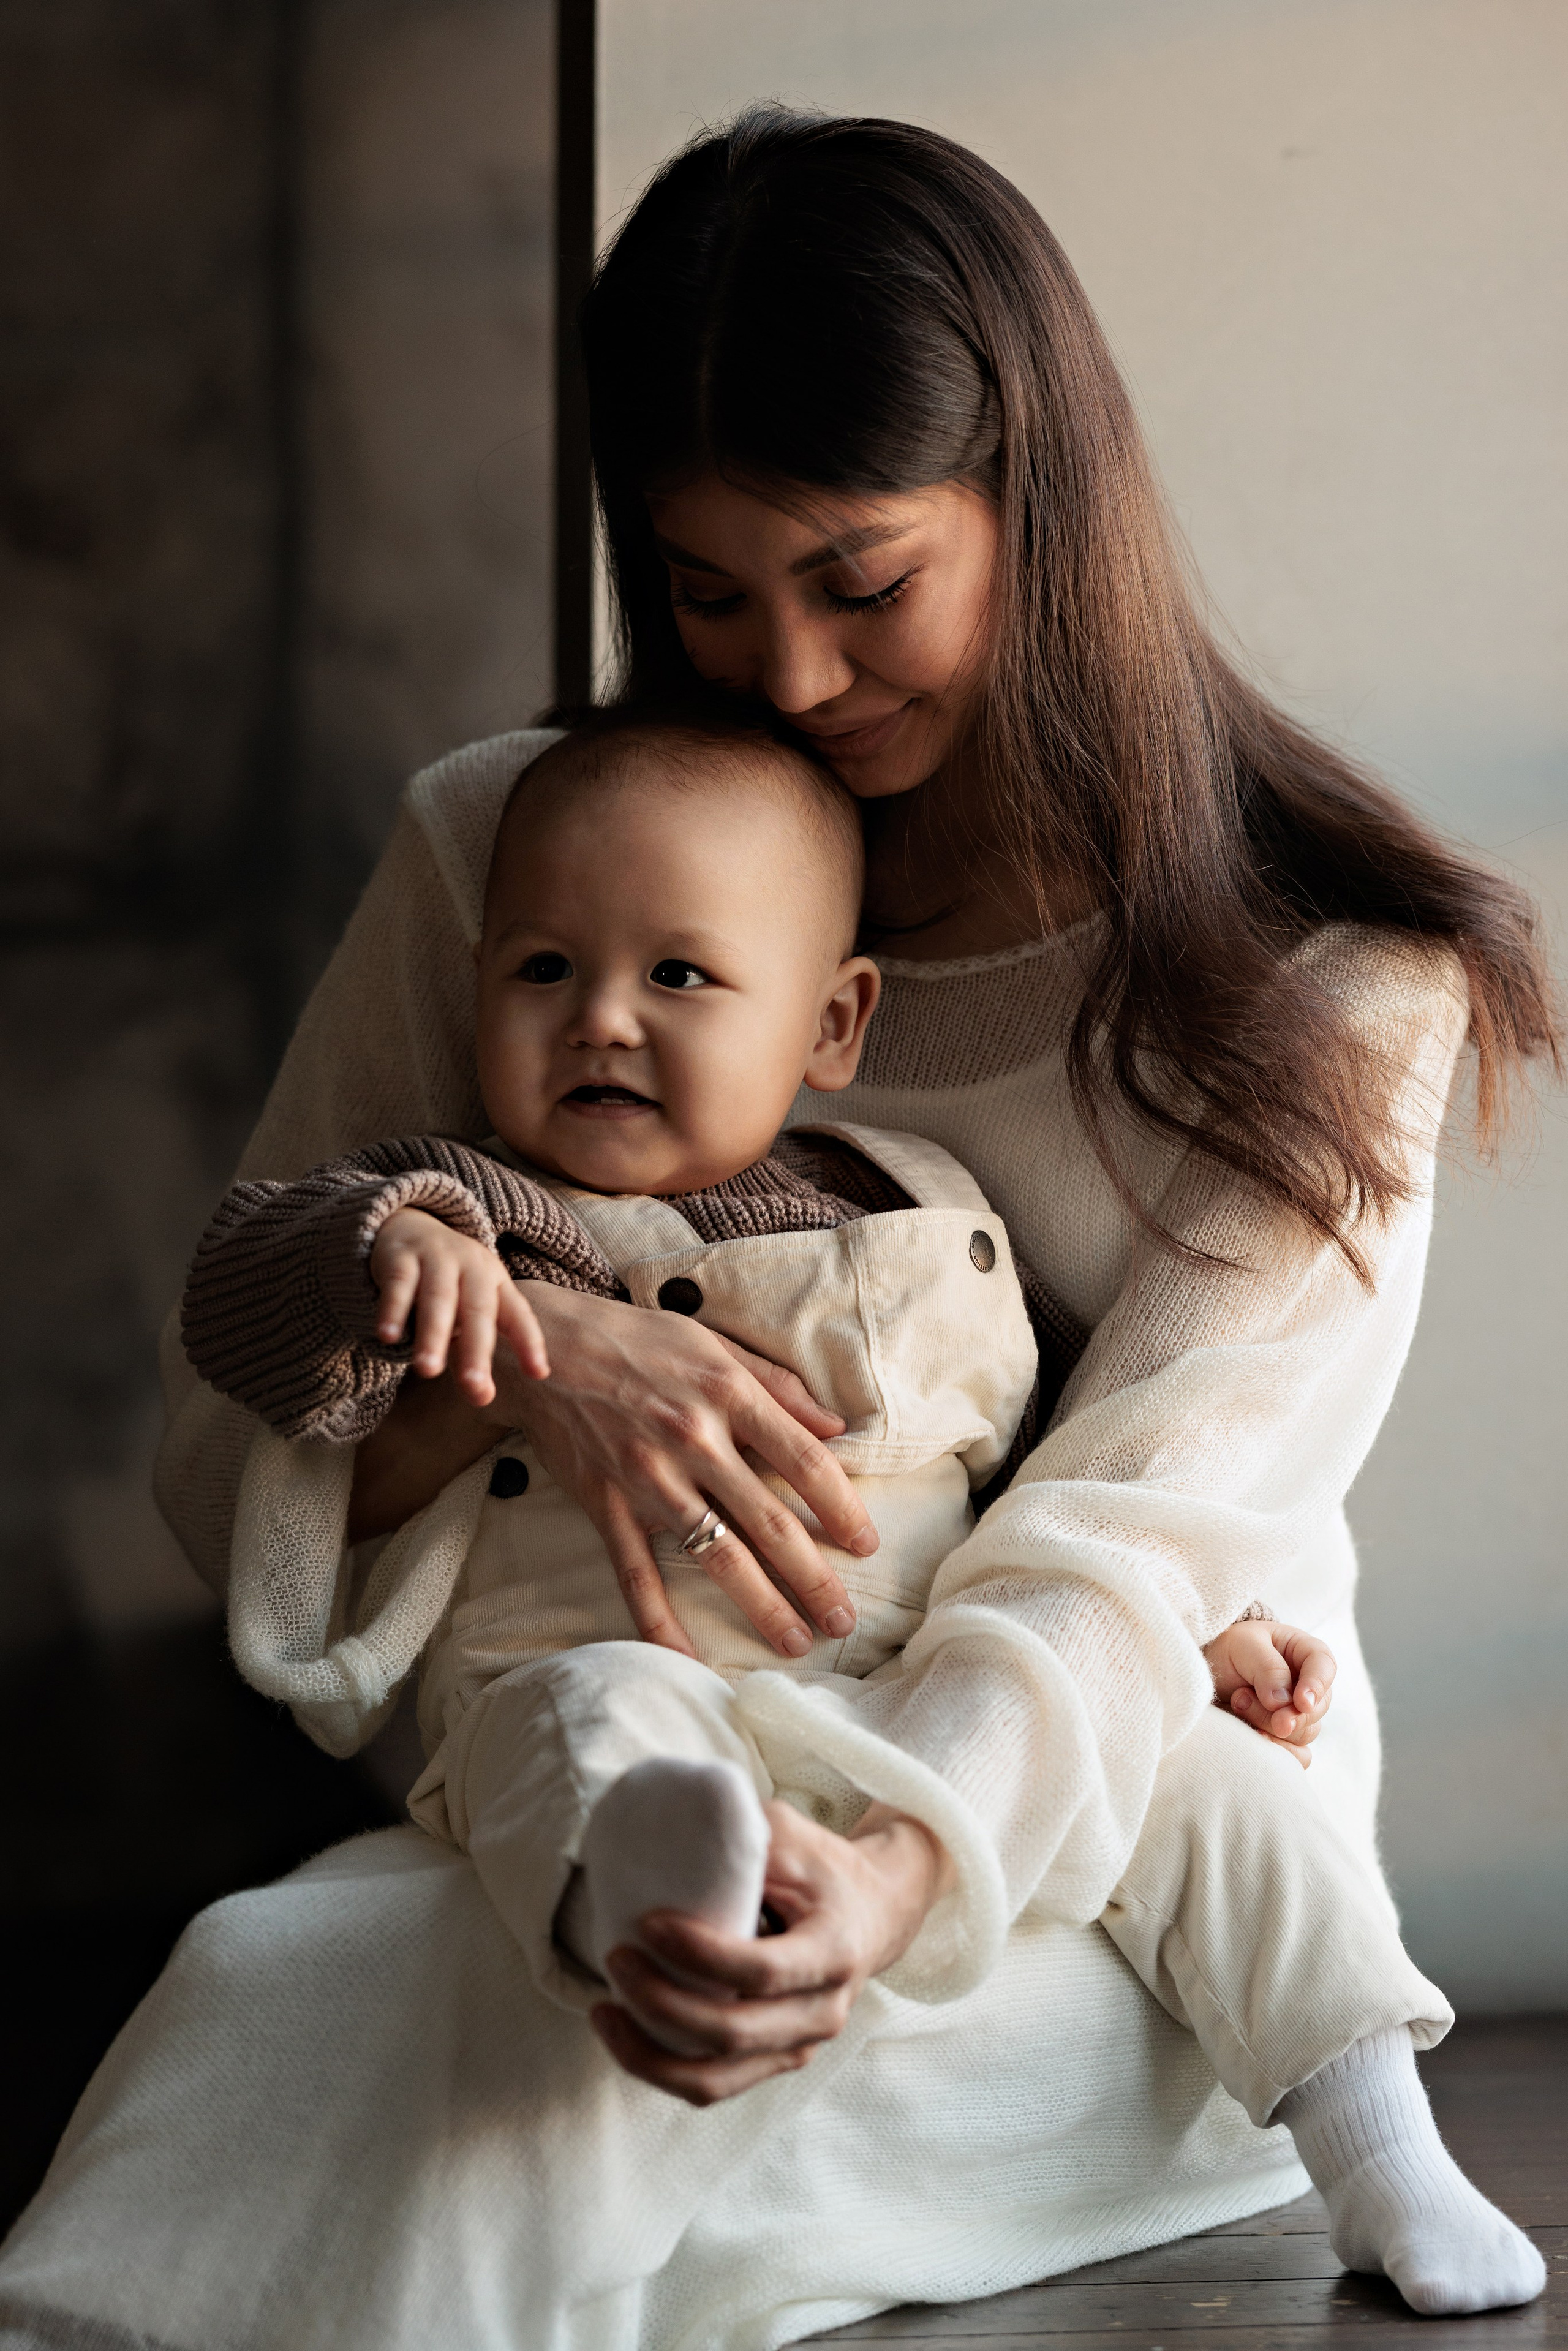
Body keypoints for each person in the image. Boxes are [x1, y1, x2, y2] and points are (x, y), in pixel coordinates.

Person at [0, 110, 1556, 2351]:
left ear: (1041, 501)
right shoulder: (510, 851)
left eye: (862, 581)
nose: (793, 676)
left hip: (1114, 1820)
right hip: (612, 1754)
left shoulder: (1329, 992)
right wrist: (543, 1345)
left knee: (457, 2044)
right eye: (710, 593)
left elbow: (1123, 1549)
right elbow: (227, 1415)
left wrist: (891, 1873)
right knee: (319, 1961)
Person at [181, 703, 1370, 2041]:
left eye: (677, 975)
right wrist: (378, 1247)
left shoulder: (920, 1211)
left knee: (1210, 1781)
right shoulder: (457, 1197)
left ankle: (1360, 2115)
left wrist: (1194, 1634)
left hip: (916, 1703)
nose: (600, 1022)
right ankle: (670, 1933)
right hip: (605, 1664)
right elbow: (234, 1303)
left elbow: (1049, 1469)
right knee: (582, 1732)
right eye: (542, 968)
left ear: (831, 1022)